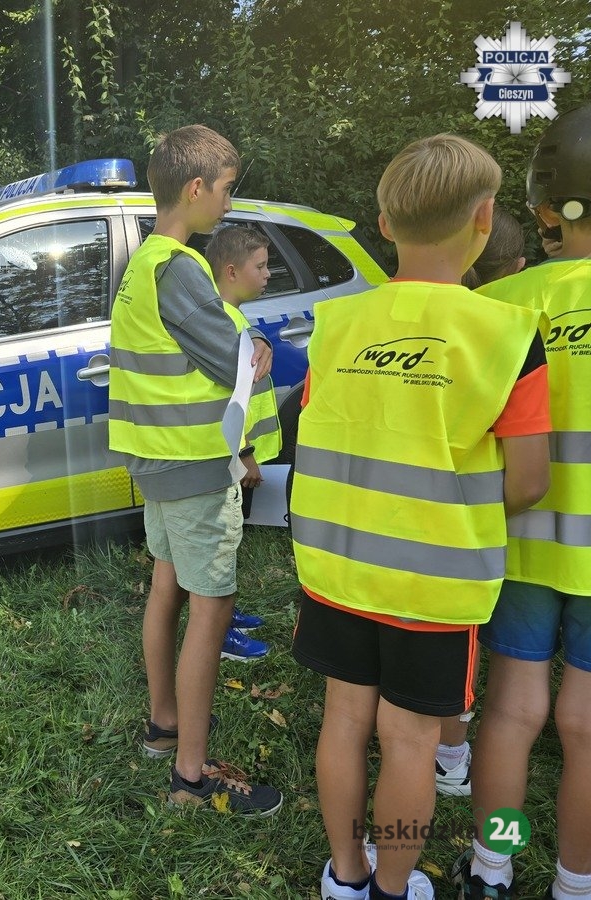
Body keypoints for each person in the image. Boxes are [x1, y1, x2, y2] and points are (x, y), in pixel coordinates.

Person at [289, 134, 551, 900]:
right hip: (434, 584)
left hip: (337, 568)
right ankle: (394, 889)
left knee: (343, 723)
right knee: (409, 742)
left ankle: (347, 877)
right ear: (483, 218)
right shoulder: (504, 334)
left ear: (382, 222)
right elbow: (528, 483)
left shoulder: (334, 325)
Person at [108, 124, 281, 816]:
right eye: (228, 189)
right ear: (196, 188)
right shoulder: (179, 267)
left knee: (165, 589)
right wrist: (257, 339)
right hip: (196, 470)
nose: (230, 206)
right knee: (211, 609)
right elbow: (231, 355)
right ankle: (190, 776)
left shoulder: (144, 264)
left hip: (157, 466)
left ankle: (163, 727)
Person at [455, 103, 591, 900]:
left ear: (544, 209)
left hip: (523, 542)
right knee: (585, 725)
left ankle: (494, 866)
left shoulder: (503, 306)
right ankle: (575, 882)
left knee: (512, 715)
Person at [435, 206, 527, 797]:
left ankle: (452, 755)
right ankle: (497, 851)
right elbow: (527, 477)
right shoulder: (507, 334)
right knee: (462, 660)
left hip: (405, 539)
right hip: (482, 529)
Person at [204, 224, 278, 661]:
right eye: (261, 266)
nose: (268, 274)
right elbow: (225, 399)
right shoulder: (223, 325)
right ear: (232, 271)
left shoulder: (232, 317)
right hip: (233, 462)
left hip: (236, 461)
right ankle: (222, 632)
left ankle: (227, 614)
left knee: (233, 540)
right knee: (224, 545)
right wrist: (246, 455)